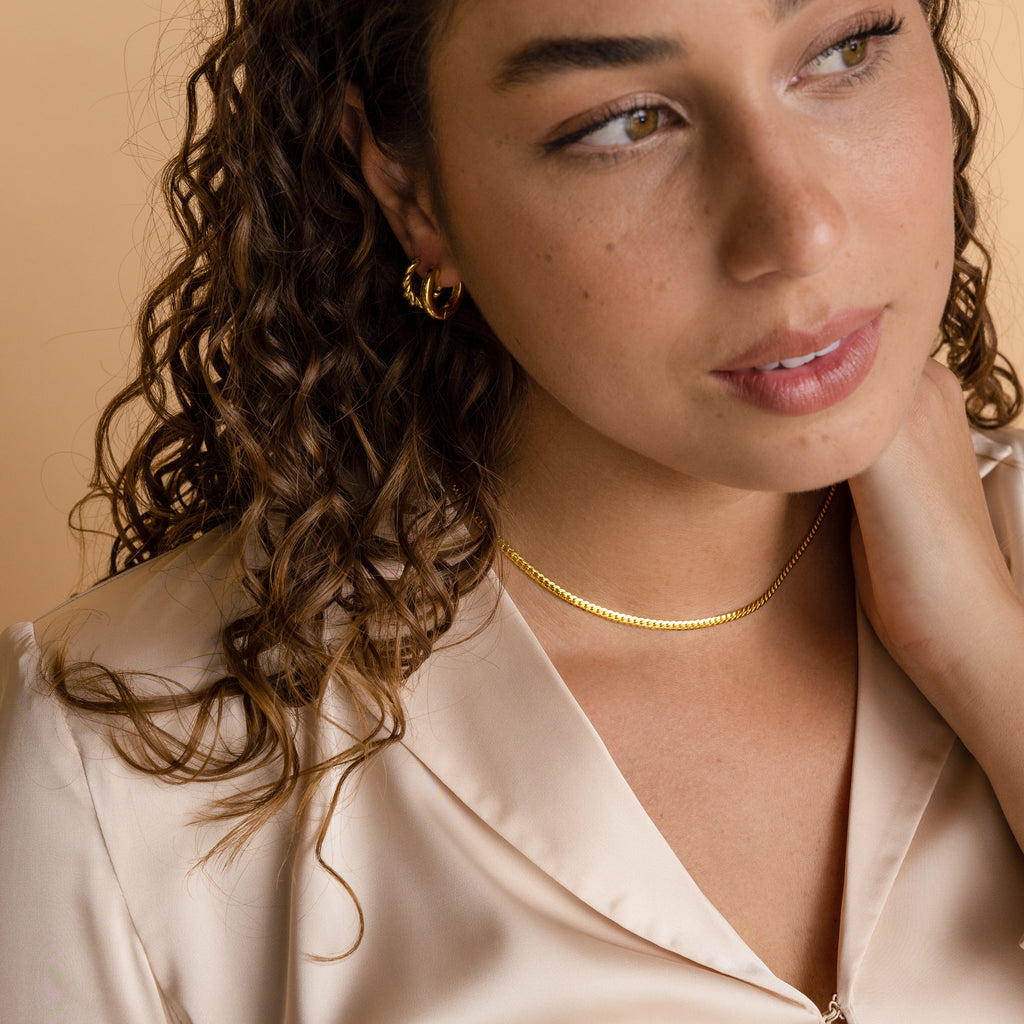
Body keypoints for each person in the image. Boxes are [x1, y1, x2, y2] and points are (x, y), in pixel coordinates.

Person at [3, 0, 1024, 1020]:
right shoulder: (122, 770)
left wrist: (986, 662)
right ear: (409, 191)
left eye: (844, 52)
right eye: (624, 121)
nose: (799, 230)